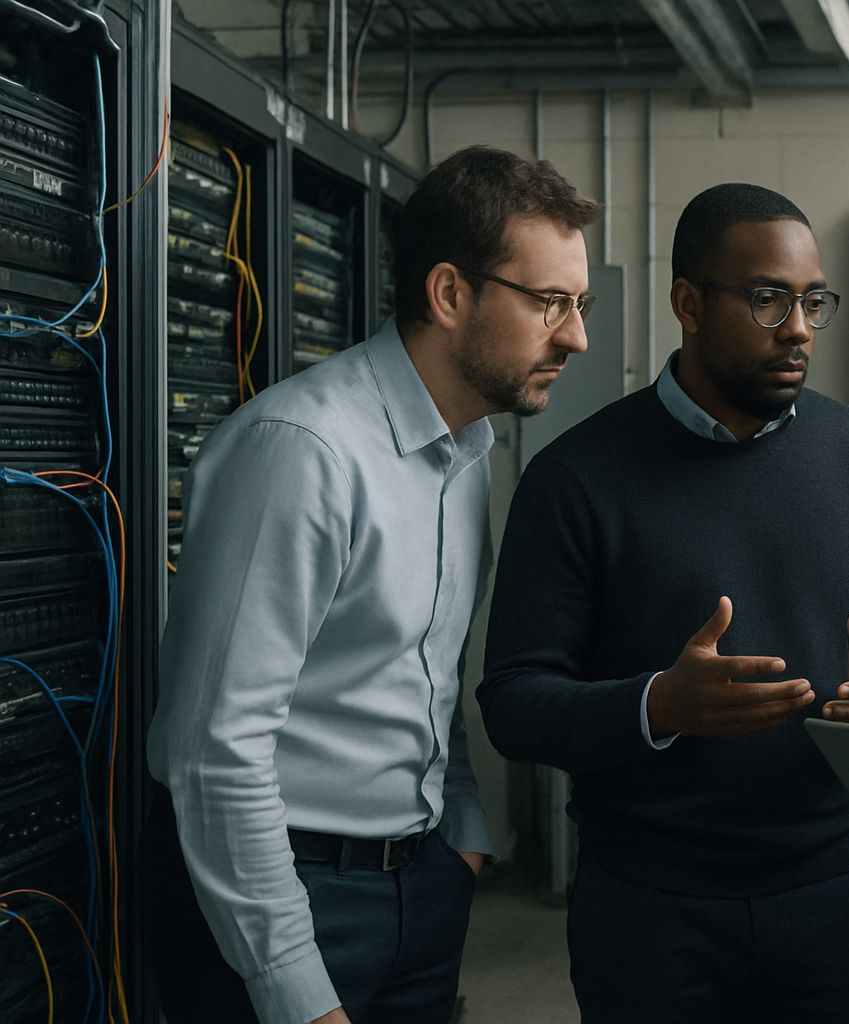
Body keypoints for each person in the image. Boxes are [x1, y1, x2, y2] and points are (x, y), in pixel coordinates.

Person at [477, 182, 849, 1023]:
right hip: (649, 910)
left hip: (835, 896)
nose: (799, 327)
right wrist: (658, 706)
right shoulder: (574, 479)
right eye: (769, 299)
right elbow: (515, 704)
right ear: (689, 304)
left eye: (814, 301)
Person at [143, 146, 602, 1024]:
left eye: (579, 306)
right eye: (550, 302)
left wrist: (462, 835)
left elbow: (426, 676)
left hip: (419, 884)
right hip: (283, 894)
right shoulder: (302, 451)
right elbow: (215, 748)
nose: (575, 336)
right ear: (450, 293)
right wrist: (293, 984)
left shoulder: (465, 453)